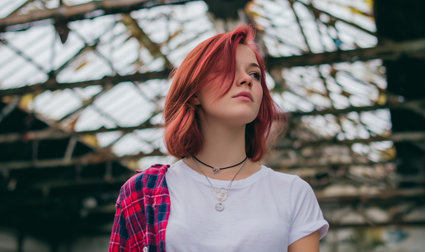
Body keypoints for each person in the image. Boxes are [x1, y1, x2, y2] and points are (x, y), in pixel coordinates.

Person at [109, 25, 328, 252]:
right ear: (193, 94)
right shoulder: (144, 192)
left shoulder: (293, 192)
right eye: (227, 70)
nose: (247, 80)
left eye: (255, 74)